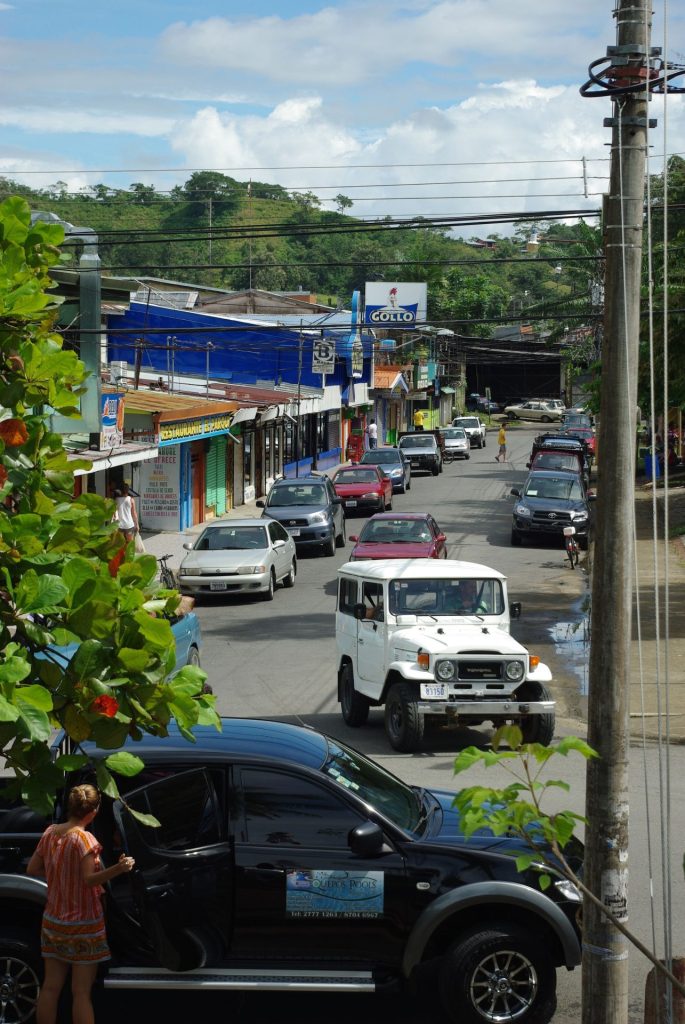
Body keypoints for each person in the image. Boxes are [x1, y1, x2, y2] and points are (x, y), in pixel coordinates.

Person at [26, 784, 135, 1024]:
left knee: (51, 988)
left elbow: (32, 868)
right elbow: (89, 880)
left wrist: (59, 875)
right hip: (85, 926)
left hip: (54, 922)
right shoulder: (86, 840)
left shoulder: (50, 833)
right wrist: (119, 868)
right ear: (93, 811)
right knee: (81, 993)